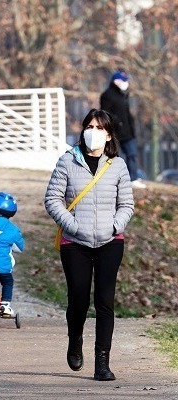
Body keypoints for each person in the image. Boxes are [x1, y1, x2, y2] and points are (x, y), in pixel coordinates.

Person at [44, 109, 134, 381]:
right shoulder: (67, 162)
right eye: (89, 126)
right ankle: (75, 339)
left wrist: (116, 226)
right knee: (78, 300)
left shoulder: (117, 165)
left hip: (110, 242)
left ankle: (102, 363)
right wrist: (72, 225)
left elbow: (126, 204)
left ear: (108, 135)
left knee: (105, 302)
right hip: (75, 243)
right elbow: (52, 200)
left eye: (99, 127)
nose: (92, 131)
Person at [99, 70, 144, 189]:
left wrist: (131, 126)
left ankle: (133, 178)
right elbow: (105, 113)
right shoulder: (107, 95)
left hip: (128, 132)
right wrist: (117, 122)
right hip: (115, 132)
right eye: (123, 81)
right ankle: (114, 179)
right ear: (116, 81)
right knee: (115, 157)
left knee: (132, 155)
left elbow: (127, 114)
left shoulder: (123, 95)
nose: (126, 83)